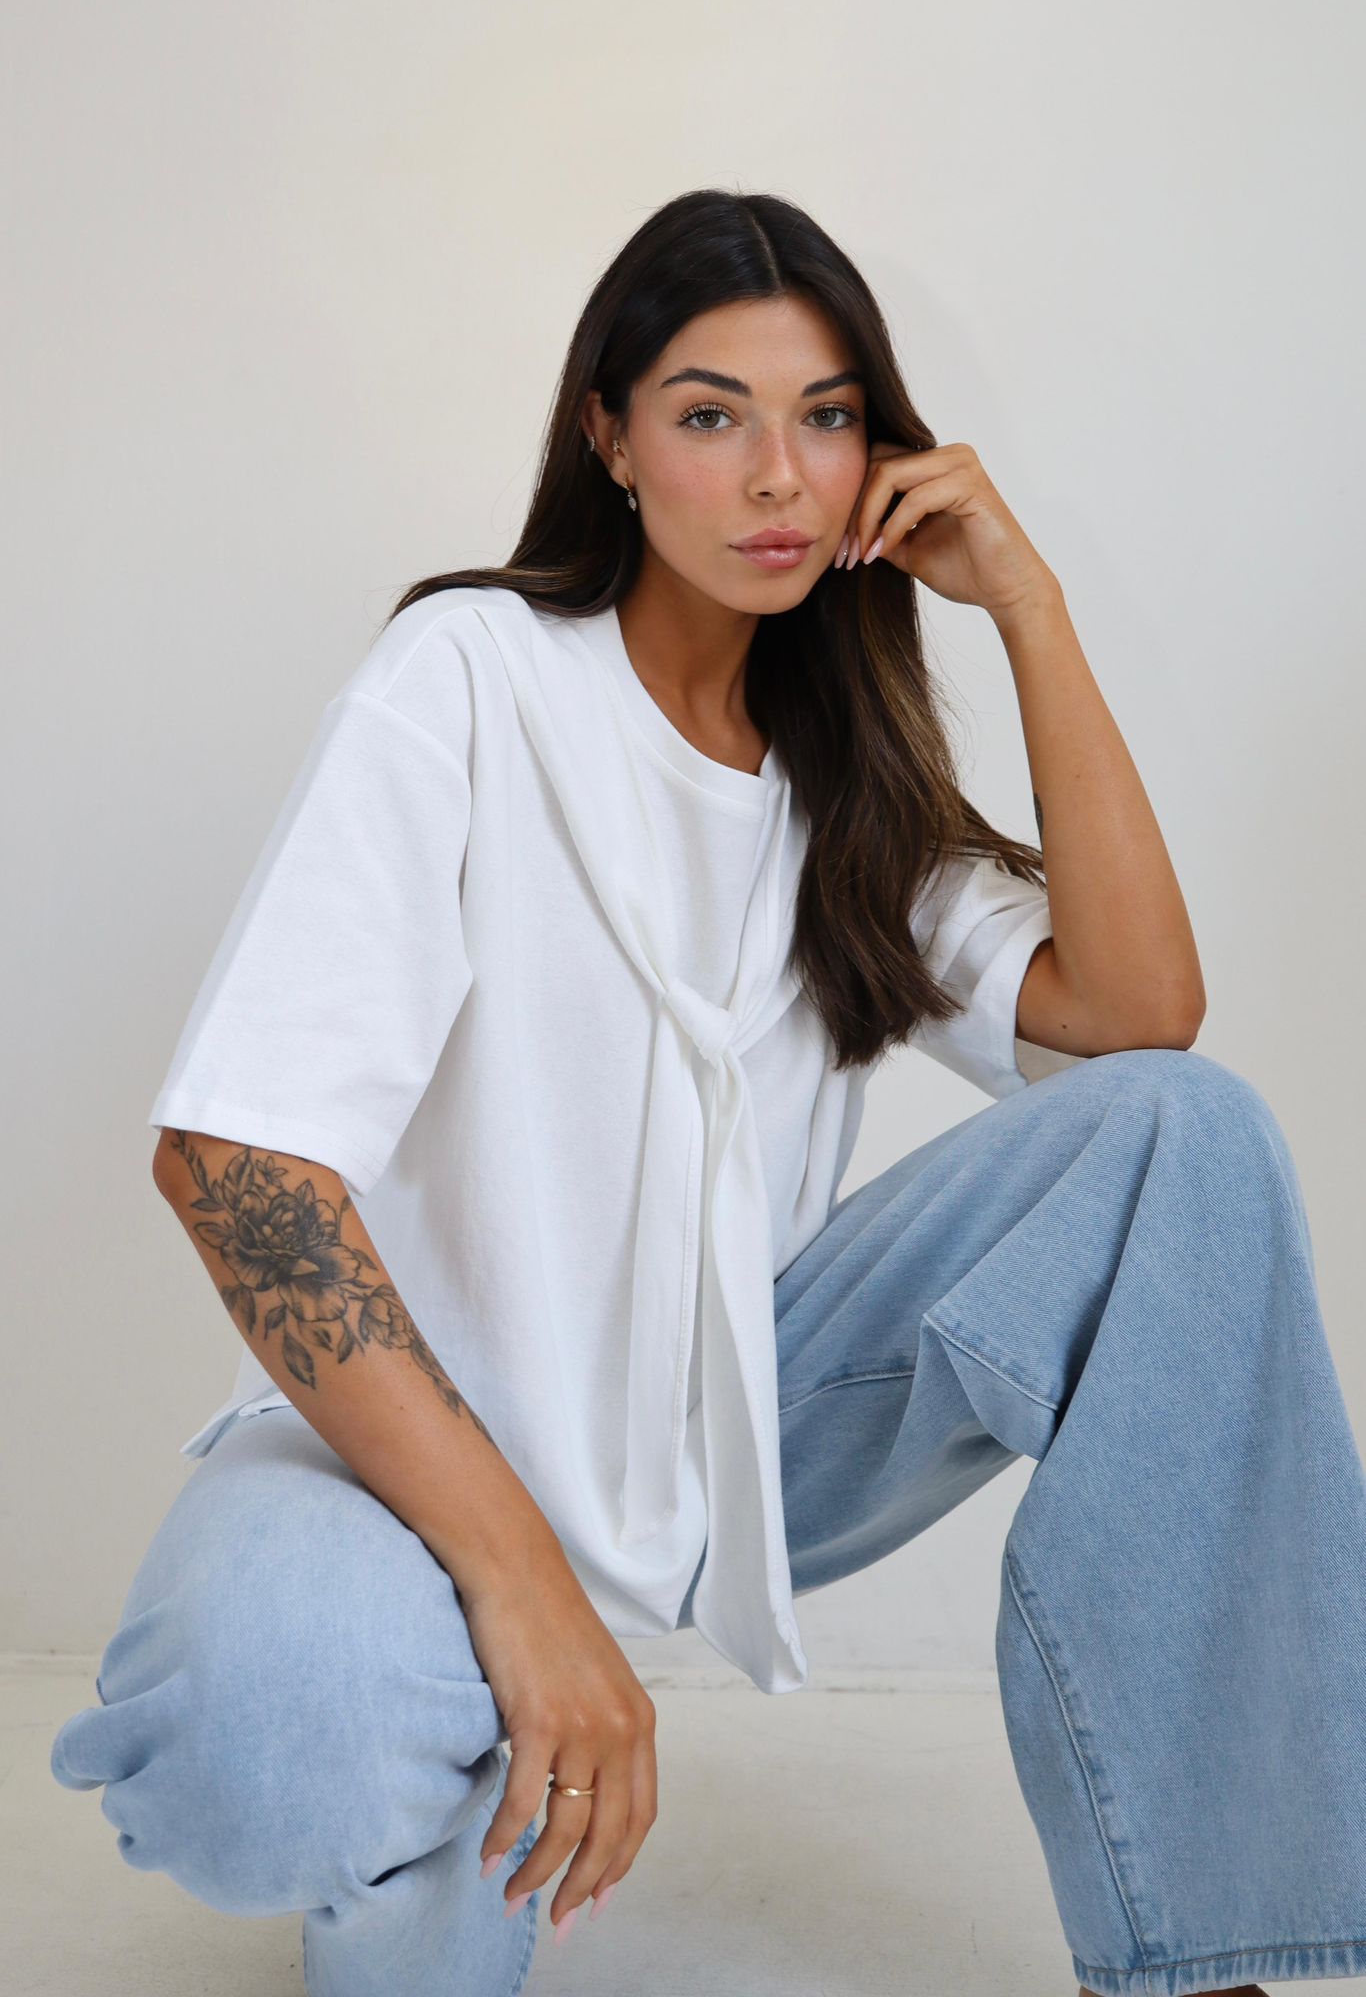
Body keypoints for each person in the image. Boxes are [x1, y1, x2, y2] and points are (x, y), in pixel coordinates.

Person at [49, 188, 1366, 1997]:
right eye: (707, 413)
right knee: (265, 1737)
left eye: (824, 417)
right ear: (609, 438)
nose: (774, 475)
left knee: (1184, 1140)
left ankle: (1195, 1959)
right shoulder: (470, 679)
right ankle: (445, 1794)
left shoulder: (844, 779)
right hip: (403, 1458)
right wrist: (521, 1587)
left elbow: (1137, 1021)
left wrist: (1028, 607)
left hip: (742, 1424)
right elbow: (233, 1162)